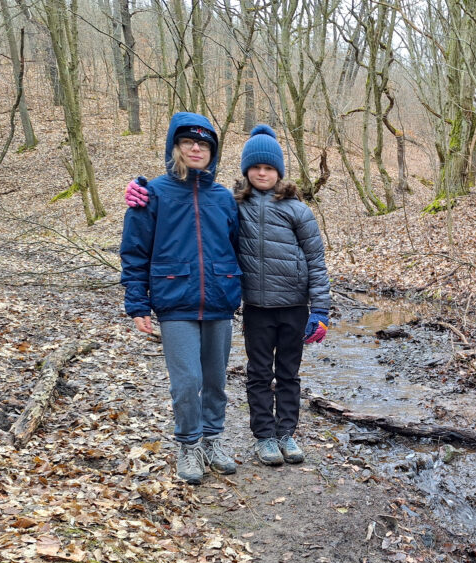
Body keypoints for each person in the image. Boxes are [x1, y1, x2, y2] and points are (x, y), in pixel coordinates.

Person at [127, 124, 331, 467]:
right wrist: (137, 192)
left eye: (269, 167)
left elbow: (312, 260)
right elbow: (144, 247)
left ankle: (272, 434)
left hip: (276, 304)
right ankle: (241, 439)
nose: (262, 173)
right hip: (237, 305)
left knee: (269, 375)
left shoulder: (279, 207)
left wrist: (320, 309)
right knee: (235, 376)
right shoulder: (226, 201)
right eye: (256, 167)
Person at [120, 112, 241, 485]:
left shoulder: (224, 198)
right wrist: (138, 303)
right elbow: (135, 252)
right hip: (175, 301)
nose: (196, 148)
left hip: (219, 301)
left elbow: (239, 249)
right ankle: (189, 444)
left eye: (204, 144)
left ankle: (212, 440)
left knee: (215, 381)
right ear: (175, 147)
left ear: (213, 152)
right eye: (188, 141)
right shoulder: (153, 194)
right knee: (187, 381)